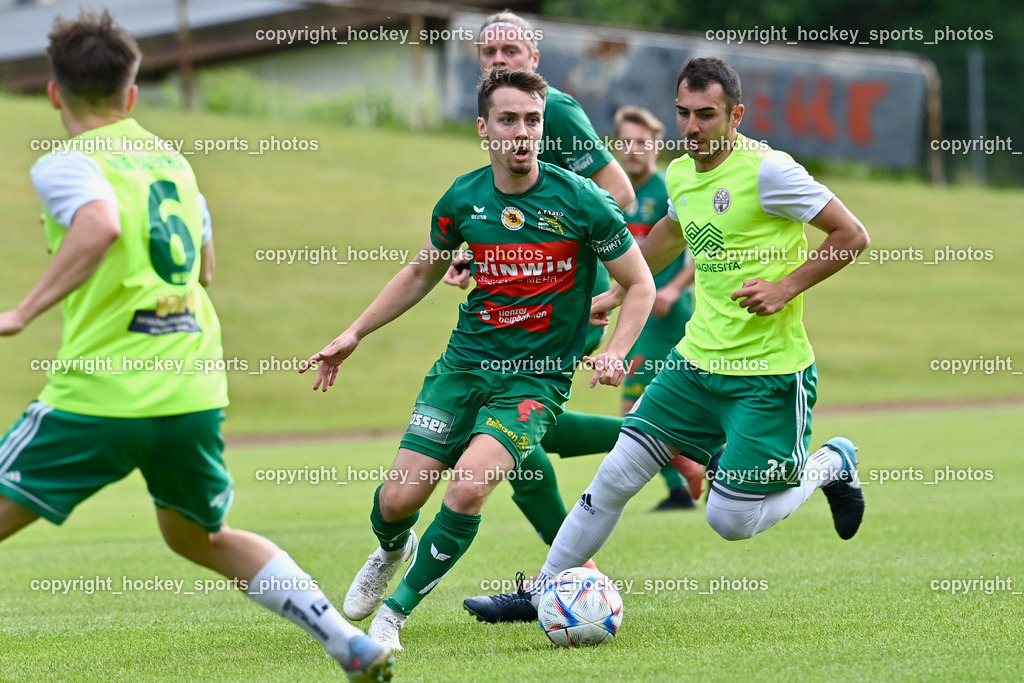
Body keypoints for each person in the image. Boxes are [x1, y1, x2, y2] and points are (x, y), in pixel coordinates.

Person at [0, 11, 392, 682]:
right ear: (131, 95)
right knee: (197, 534)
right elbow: (204, 267)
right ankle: (345, 639)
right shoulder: (172, 161)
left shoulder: (67, 162)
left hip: (104, 393)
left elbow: (98, 225)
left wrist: (22, 310)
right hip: (190, 390)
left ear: (54, 93)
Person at [463, 56, 870, 624]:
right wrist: (614, 290)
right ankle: (542, 590)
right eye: (683, 113)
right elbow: (669, 236)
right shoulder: (681, 174)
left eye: (707, 114)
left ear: (736, 116)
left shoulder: (770, 172)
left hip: (768, 376)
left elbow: (852, 234)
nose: (692, 126)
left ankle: (831, 463)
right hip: (694, 365)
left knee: (729, 521)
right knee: (617, 475)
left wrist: (786, 286)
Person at [300, 67, 655, 651]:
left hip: (535, 382)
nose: (522, 134)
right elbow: (422, 271)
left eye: (532, 122)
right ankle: (394, 547)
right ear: (484, 129)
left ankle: (393, 616)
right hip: (463, 368)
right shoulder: (463, 199)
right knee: (396, 501)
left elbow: (638, 284)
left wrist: (616, 351)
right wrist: (353, 333)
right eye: (508, 121)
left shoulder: (583, 201)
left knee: (467, 489)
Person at [446, 10, 635, 551]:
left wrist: (568, 271)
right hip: (524, 301)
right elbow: (522, 220)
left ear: (535, 59)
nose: (499, 60)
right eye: (489, 53)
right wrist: (485, 260)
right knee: (520, 431)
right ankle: (667, 441)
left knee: (503, 429)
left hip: (565, 301)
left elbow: (618, 195)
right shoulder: (502, 114)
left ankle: (570, 570)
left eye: (511, 52)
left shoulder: (555, 112)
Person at [612, 105, 704, 511]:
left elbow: (701, 250)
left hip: (668, 316)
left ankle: (688, 476)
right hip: (638, 313)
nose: (633, 150)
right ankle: (686, 479)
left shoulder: (670, 189)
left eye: (642, 143)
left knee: (637, 403)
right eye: (626, 142)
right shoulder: (612, 194)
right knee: (642, 403)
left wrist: (672, 291)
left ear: (656, 147)